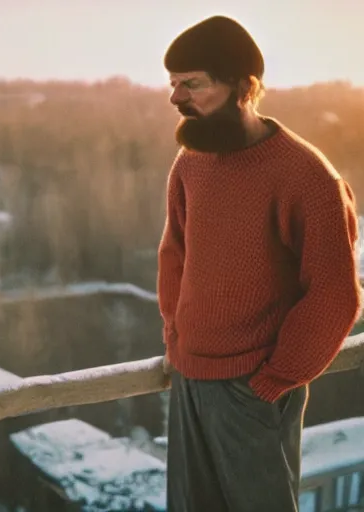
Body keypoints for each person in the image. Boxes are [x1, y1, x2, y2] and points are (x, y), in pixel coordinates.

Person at [157, 14, 362, 512]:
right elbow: (174, 257)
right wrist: (175, 342)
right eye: (173, 84)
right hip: (188, 377)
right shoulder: (190, 163)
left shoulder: (306, 175)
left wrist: (276, 377)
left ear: (244, 87)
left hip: (254, 386)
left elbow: (335, 293)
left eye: (193, 84)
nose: (176, 99)